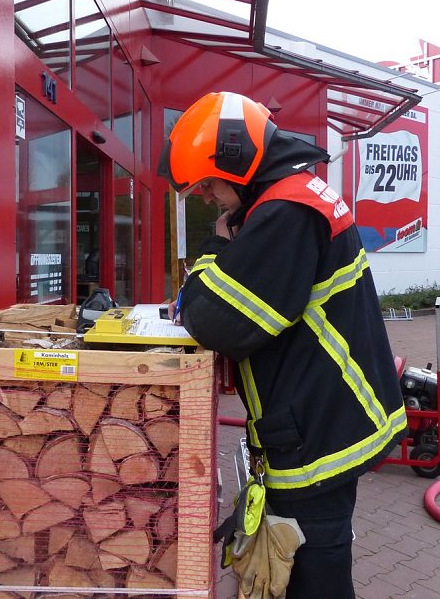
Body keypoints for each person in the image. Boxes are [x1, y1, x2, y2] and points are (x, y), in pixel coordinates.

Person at [158, 91, 407, 597]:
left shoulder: (287, 212)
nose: (206, 196)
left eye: (207, 184)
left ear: (237, 159)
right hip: (326, 416)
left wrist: (211, 255)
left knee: (314, 570)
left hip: (320, 433)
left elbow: (216, 319)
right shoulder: (292, 197)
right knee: (310, 555)